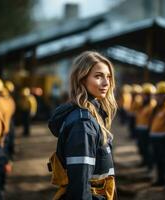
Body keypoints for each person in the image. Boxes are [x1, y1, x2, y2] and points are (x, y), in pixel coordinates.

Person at [48, 51, 118, 200]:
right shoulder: (83, 124)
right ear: (81, 79)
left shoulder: (94, 115)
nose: (106, 83)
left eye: (108, 77)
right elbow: (79, 187)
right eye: (98, 76)